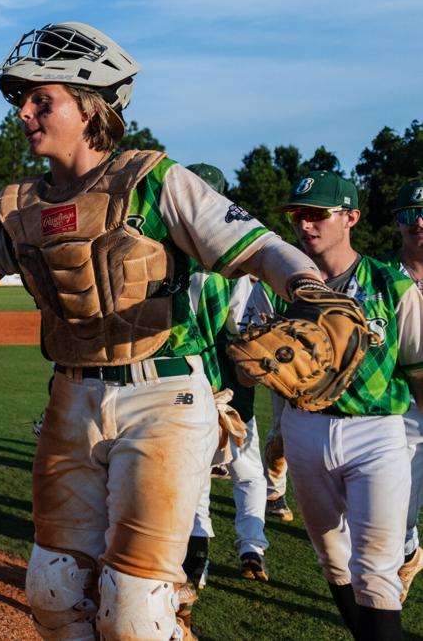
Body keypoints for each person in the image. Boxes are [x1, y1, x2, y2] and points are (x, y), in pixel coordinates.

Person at [0, 21, 327, 641]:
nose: (23, 112)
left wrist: (311, 292)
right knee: (52, 591)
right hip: (71, 397)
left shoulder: (156, 180)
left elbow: (262, 248)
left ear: (88, 108)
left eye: (39, 99)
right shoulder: (18, 205)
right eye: (21, 100)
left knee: (136, 609)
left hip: (164, 395)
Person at [249, 171, 423, 639]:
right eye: (298, 216)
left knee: (377, 568)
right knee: (331, 557)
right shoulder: (277, 287)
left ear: (350, 217)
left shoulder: (391, 285)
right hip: (305, 430)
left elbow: (418, 369)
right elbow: (259, 365)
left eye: (317, 214)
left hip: (378, 433)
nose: (305, 225)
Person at [179, 164, 270, 611]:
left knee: (194, 477)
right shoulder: (236, 265)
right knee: (247, 470)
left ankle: (199, 560)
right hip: (231, 384)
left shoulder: (161, 254)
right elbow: (246, 332)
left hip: (182, 385)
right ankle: (251, 545)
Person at [377, 180, 423, 601]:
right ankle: (409, 554)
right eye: (411, 214)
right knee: (400, 506)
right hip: (406, 407)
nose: (420, 222)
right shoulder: (382, 278)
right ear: (398, 223)